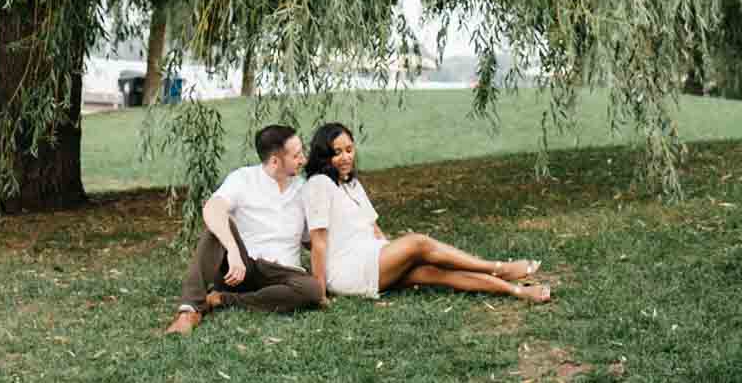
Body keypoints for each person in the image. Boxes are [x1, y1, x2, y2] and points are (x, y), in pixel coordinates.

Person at [302, 121, 551, 305]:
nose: (346, 157)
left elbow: (374, 228)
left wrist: (394, 255)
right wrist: (319, 293)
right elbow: (319, 243)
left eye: (349, 149)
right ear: (324, 155)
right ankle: (497, 267)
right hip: (349, 270)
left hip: (373, 257)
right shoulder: (319, 185)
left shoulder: (351, 184)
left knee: (436, 273)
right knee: (419, 243)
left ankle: (516, 291)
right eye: (337, 152)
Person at [164, 124, 325, 335]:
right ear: (275, 161)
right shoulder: (243, 179)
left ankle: (223, 299)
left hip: (284, 274)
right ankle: (189, 310)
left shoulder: (304, 189)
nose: (303, 160)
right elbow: (213, 208)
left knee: (312, 290)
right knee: (218, 225)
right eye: (296, 156)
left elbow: (312, 240)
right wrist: (232, 249)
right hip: (243, 268)